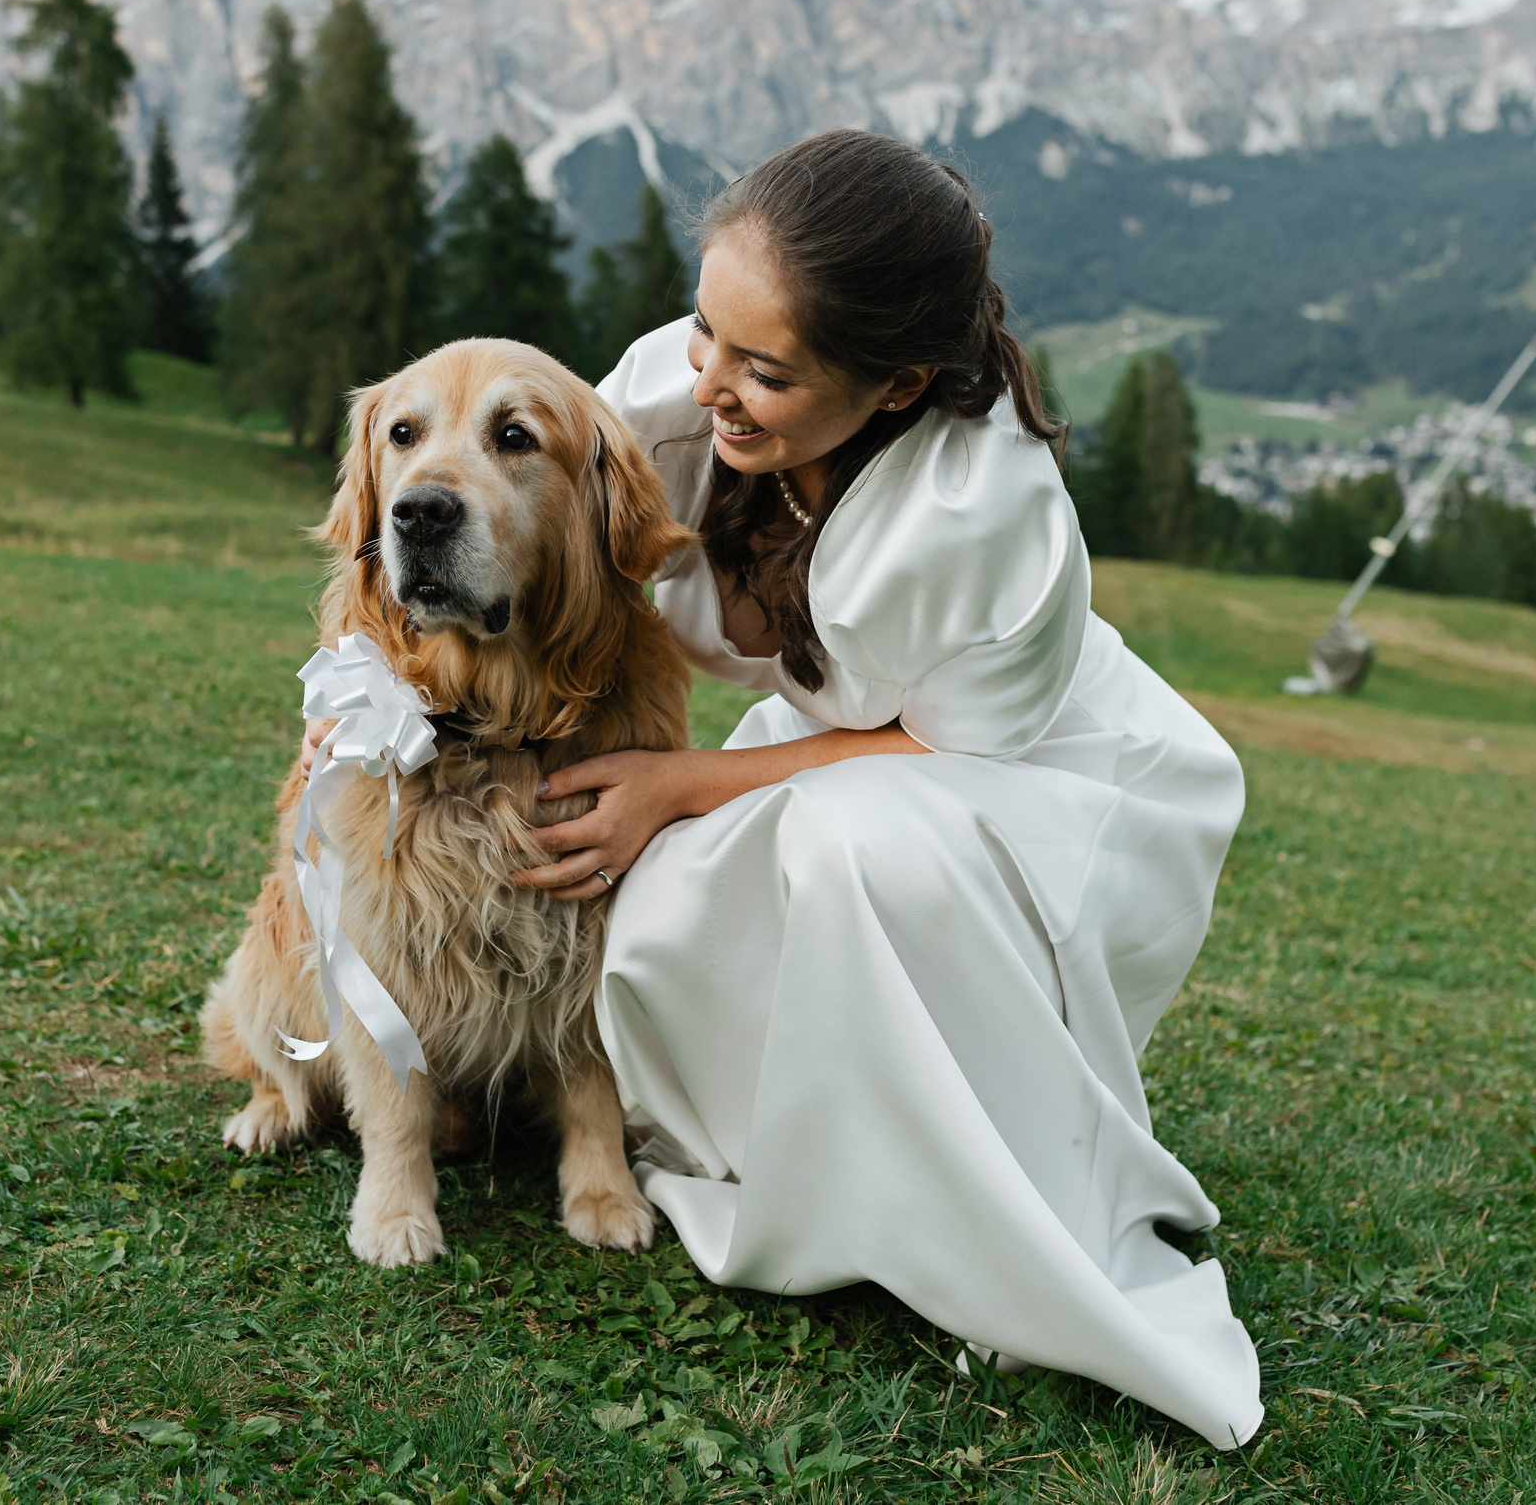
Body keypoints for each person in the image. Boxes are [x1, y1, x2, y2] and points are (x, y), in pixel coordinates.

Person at [508, 129, 1261, 1447]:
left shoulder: (982, 515)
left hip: (1027, 772)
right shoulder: (669, 396)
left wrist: (688, 777)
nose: (711, 387)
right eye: (706, 332)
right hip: (861, 745)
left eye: (766, 372)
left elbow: (948, 748)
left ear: (900, 382)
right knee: (685, 891)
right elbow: (513, 500)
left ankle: (955, 1208)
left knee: (856, 855)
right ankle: (789, 1155)